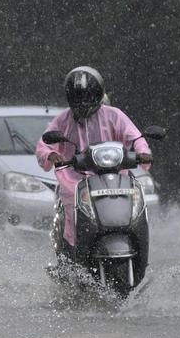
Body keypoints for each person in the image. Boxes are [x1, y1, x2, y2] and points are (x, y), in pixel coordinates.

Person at [36, 66, 152, 257]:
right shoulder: (63, 119)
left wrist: (143, 152)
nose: (82, 102)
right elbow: (44, 144)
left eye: (88, 96)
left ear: (98, 94)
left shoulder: (114, 115)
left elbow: (136, 137)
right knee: (71, 206)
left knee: (136, 205)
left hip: (115, 177)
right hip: (75, 181)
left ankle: (136, 241)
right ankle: (73, 252)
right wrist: (51, 155)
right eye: (77, 97)